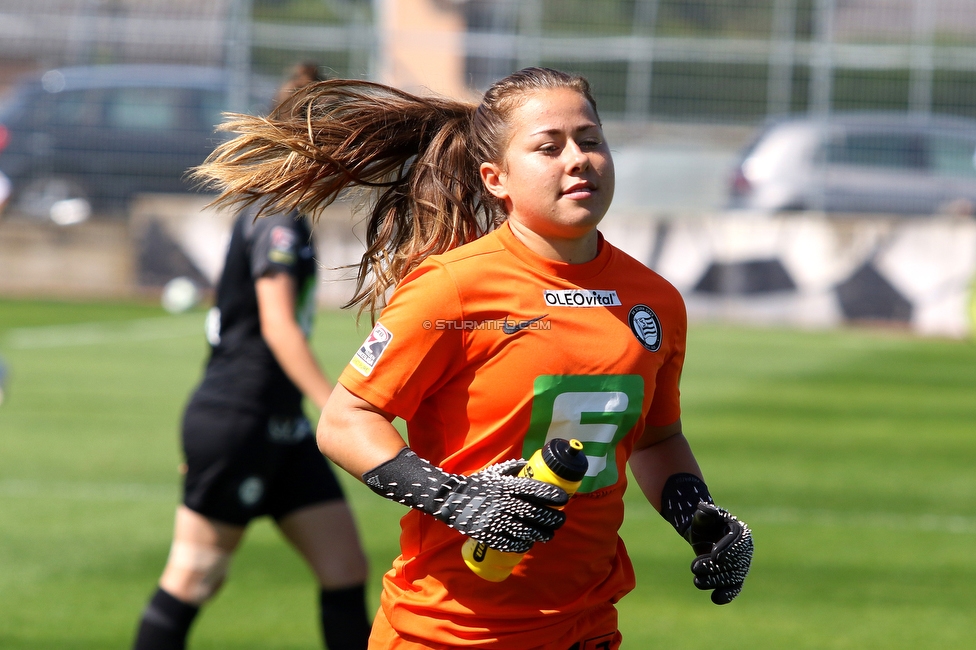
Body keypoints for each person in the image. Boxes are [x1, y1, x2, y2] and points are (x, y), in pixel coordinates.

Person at [194, 67, 753, 650]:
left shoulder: (655, 299)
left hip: (586, 629)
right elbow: (344, 421)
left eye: (590, 140)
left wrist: (699, 517)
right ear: (496, 178)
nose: (578, 159)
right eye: (548, 146)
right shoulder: (452, 288)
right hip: (448, 633)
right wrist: (457, 500)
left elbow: (657, 440)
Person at [131, 73, 371, 650]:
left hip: (279, 427)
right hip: (239, 420)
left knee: (345, 567)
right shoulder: (278, 218)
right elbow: (278, 325)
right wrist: (337, 404)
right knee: (194, 577)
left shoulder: (283, 214)